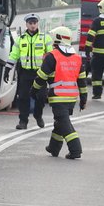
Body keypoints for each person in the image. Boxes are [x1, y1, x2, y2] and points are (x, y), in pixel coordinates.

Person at [32, 26, 88, 159]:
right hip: (71, 98)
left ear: (58, 39)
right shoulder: (77, 58)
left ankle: (76, 150)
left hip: (58, 97)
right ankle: (53, 148)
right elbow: (82, 82)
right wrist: (83, 99)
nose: (52, 42)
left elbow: (41, 76)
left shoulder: (52, 56)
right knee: (59, 122)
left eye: (53, 39)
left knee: (64, 123)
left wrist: (33, 90)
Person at [5, 14, 52, 130]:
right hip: (25, 73)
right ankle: (23, 121)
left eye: (34, 23)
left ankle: (38, 115)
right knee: (23, 97)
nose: (32, 25)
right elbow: (14, 55)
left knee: (41, 97)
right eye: (30, 23)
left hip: (40, 73)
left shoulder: (45, 38)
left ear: (37, 24)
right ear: (26, 24)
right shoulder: (20, 39)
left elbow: (51, 56)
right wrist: (7, 68)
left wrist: (51, 72)